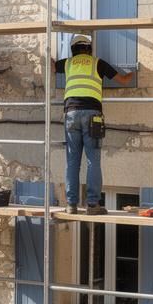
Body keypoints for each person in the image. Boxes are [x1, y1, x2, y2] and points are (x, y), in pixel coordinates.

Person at [54, 35, 134, 214]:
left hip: (71, 113)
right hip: (92, 115)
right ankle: (92, 205)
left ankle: (71, 205)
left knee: (72, 162)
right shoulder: (98, 63)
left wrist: (48, 53)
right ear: (89, 51)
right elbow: (124, 80)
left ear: (73, 51)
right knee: (93, 161)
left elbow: (51, 65)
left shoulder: (67, 63)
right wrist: (133, 72)